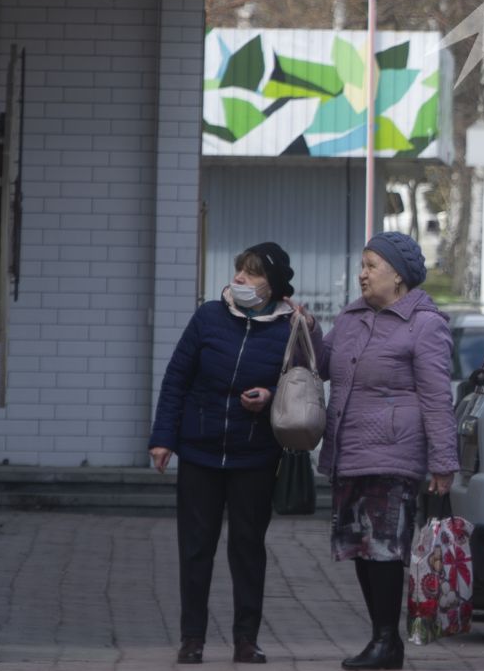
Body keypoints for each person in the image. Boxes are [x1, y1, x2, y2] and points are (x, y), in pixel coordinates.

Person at [150, 242, 319, 666]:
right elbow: (176, 379)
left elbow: (306, 383)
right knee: (195, 548)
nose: (240, 279)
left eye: (252, 273)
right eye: (239, 270)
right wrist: (163, 438)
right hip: (200, 452)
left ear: (274, 286)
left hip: (255, 456)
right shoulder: (209, 316)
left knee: (247, 548)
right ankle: (192, 639)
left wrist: (271, 395)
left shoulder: (288, 327)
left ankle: (247, 639)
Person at [319, 231, 456, 671]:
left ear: (398, 276)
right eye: (362, 265)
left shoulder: (424, 323)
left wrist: (443, 461)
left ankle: (384, 641)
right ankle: (384, 641)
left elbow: (437, 396)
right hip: (350, 449)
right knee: (362, 546)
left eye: (371, 265)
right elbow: (321, 364)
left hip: (394, 452)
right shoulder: (350, 317)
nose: (362, 274)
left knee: (384, 548)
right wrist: (301, 327)